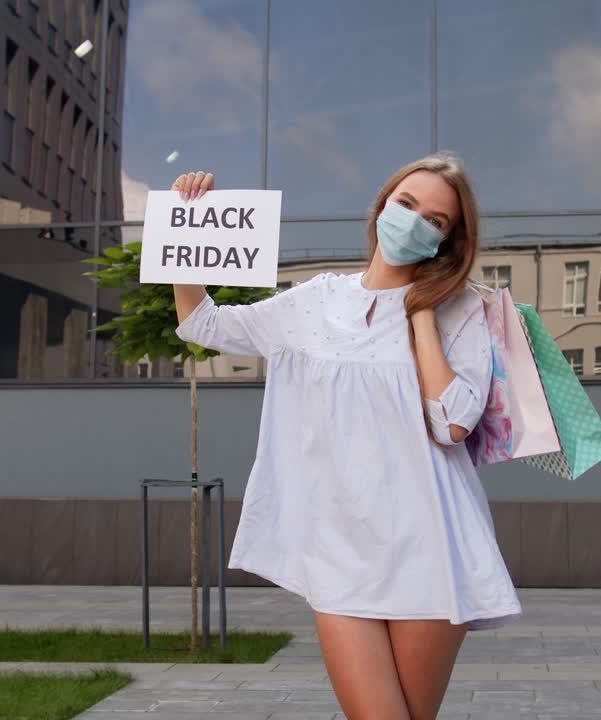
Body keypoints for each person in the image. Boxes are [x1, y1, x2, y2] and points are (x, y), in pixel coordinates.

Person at [170, 154, 521, 720]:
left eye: (435, 219)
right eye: (406, 205)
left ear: (448, 241)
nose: (414, 222)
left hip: (431, 546)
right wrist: (185, 225)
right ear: (382, 205)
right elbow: (203, 324)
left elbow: (452, 424)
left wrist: (422, 312)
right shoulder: (316, 301)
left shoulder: (463, 312)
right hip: (339, 550)